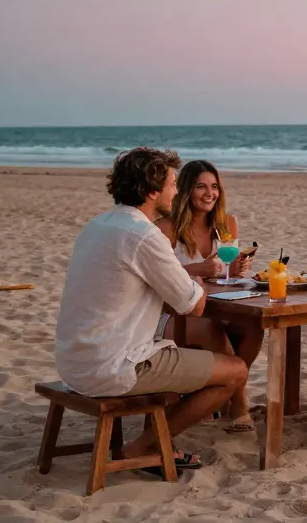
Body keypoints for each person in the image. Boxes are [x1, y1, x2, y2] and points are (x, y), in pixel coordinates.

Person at [55, 148, 247, 472]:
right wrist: (199, 274)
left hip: (74, 362)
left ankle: (159, 435)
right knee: (236, 370)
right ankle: (142, 447)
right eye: (172, 184)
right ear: (151, 189)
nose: (176, 191)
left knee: (184, 356)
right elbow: (194, 305)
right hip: (117, 366)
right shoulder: (145, 235)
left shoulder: (97, 225)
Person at [155, 160, 263, 433]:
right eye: (201, 187)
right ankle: (237, 400)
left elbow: (222, 275)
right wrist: (194, 269)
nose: (209, 194)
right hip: (170, 310)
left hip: (213, 304)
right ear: (186, 190)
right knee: (211, 329)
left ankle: (222, 391)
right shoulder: (167, 228)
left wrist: (236, 269)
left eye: (214, 187)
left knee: (252, 326)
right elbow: (156, 276)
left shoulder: (226, 224)